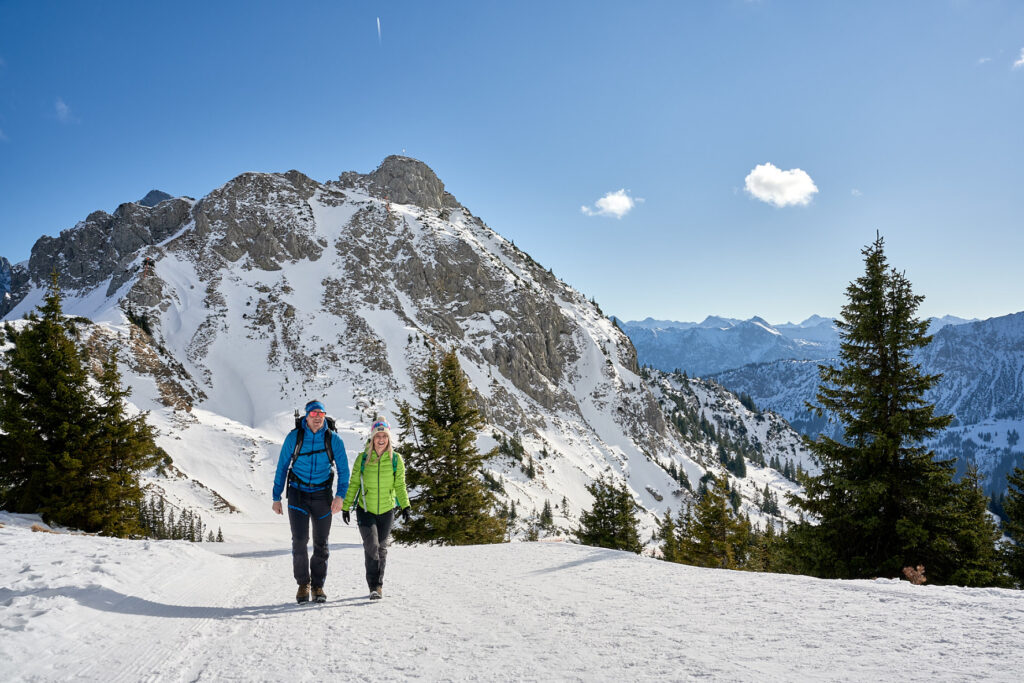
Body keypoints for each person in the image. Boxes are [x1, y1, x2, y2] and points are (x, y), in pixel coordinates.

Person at [272, 400, 349, 603]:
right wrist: (276, 497)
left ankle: (318, 586)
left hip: (323, 495)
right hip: (298, 494)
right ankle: (303, 584)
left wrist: (340, 496)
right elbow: (282, 467)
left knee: (321, 543)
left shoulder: (334, 440)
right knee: (299, 541)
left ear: (324, 417)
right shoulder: (294, 437)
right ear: (306, 416)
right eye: (313, 414)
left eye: (320, 414)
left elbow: (344, 471)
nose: (316, 418)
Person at [341, 418, 411, 600]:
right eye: (377, 436)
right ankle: (373, 586)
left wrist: (405, 506)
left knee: (381, 548)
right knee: (371, 546)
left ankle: (378, 586)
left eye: (384, 436)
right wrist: (346, 506)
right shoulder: (363, 459)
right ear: (372, 438)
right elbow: (354, 483)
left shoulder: (396, 460)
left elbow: (400, 485)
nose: (381, 439)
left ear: (389, 438)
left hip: (387, 510)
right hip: (366, 509)